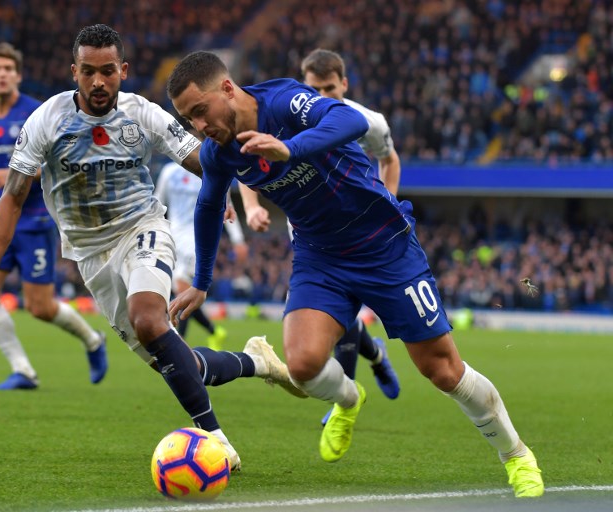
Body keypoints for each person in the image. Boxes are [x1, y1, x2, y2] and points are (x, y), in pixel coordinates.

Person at [166, 51, 544, 497]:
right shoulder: (218, 152)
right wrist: (203, 281)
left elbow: (351, 123)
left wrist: (290, 147)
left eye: (199, 111)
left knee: (442, 370)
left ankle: (516, 454)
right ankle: (349, 399)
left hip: (384, 245)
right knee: (303, 365)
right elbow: (210, 206)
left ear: (227, 89)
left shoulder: (286, 101)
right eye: (188, 119)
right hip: (320, 256)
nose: (198, 127)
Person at [0, 24, 303, 471]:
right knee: (179, 363)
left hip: (141, 227)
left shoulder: (143, 114)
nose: (98, 82)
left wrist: (219, 191)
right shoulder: (47, 119)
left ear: (123, 70)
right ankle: (254, 361)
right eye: (88, 72)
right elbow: (11, 197)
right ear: (74, 72)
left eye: (108, 71)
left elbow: (202, 158)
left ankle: (216, 440)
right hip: (89, 254)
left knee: (149, 318)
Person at [238, 49, 402, 426]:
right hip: (313, 238)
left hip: (363, 233)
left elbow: (389, 158)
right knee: (334, 316)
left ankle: (348, 396)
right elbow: (247, 165)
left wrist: (388, 202)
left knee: (340, 316)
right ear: (301, 84)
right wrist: (252, 207)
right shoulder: (287, 121)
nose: (323, 97)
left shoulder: (366, 122)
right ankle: (372, 360)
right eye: (314, 88)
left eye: (330, 88)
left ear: (344, 83)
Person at [0, 42, 108, 391]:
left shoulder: (38, 112)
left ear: (18, 75)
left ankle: (93, 340)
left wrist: (22, 174)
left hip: (35, 220)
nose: (1, 74)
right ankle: (23, 370)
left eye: (8, 69)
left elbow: (63, 163)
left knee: (40, 308)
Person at [155, 159, 249, 349]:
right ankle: (214, 331)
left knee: (182, 289)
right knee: (181, 292)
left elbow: (226, 207)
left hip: (197, 239)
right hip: (173, 240)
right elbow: (157, 202)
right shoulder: (169, 171)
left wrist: (238, 239)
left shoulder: (210, 169)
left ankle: (179, 343)